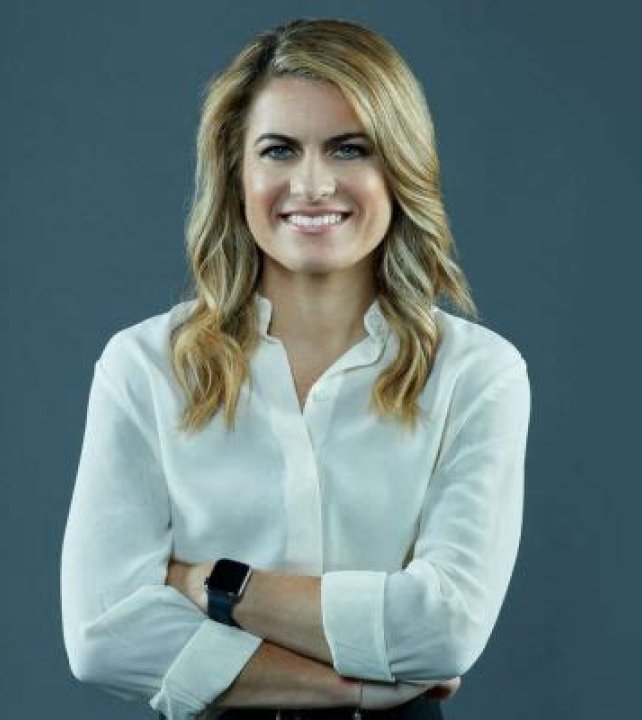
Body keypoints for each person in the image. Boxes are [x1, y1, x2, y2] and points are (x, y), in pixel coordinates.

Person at [60, 16, 531, 720]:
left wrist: (212, 585)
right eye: (279, 150)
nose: (312, 185)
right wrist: (356, 687)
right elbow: (103, 638)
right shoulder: (146, 365)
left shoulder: (476, 373)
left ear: (399, 167)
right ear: (237, 172)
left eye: (350, 148)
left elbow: (444, 629)